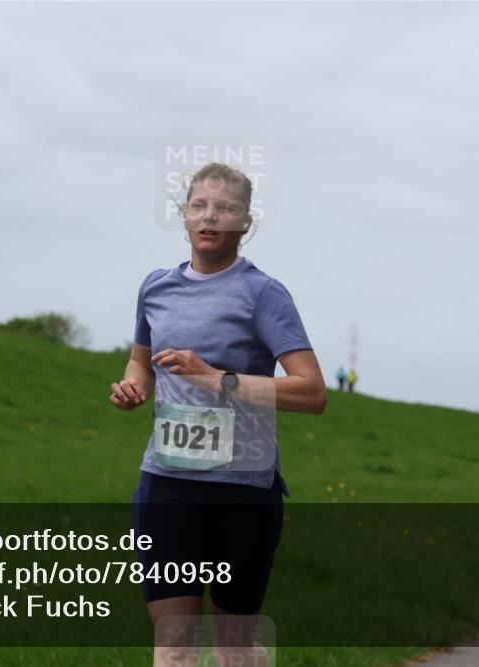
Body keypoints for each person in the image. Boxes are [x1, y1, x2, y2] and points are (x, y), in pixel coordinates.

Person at [109, 162, 326, 666]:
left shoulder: (263, 294)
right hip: (167, 482)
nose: (212, 217)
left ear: (245, 223)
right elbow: (142, 360)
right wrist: (134, 387)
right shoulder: (156, 287)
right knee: (175, 647)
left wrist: (214, 378)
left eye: (226, 208)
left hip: (242, 491)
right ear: (183, 216)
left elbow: (312, 393)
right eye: (200, 206)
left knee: (232, 651)